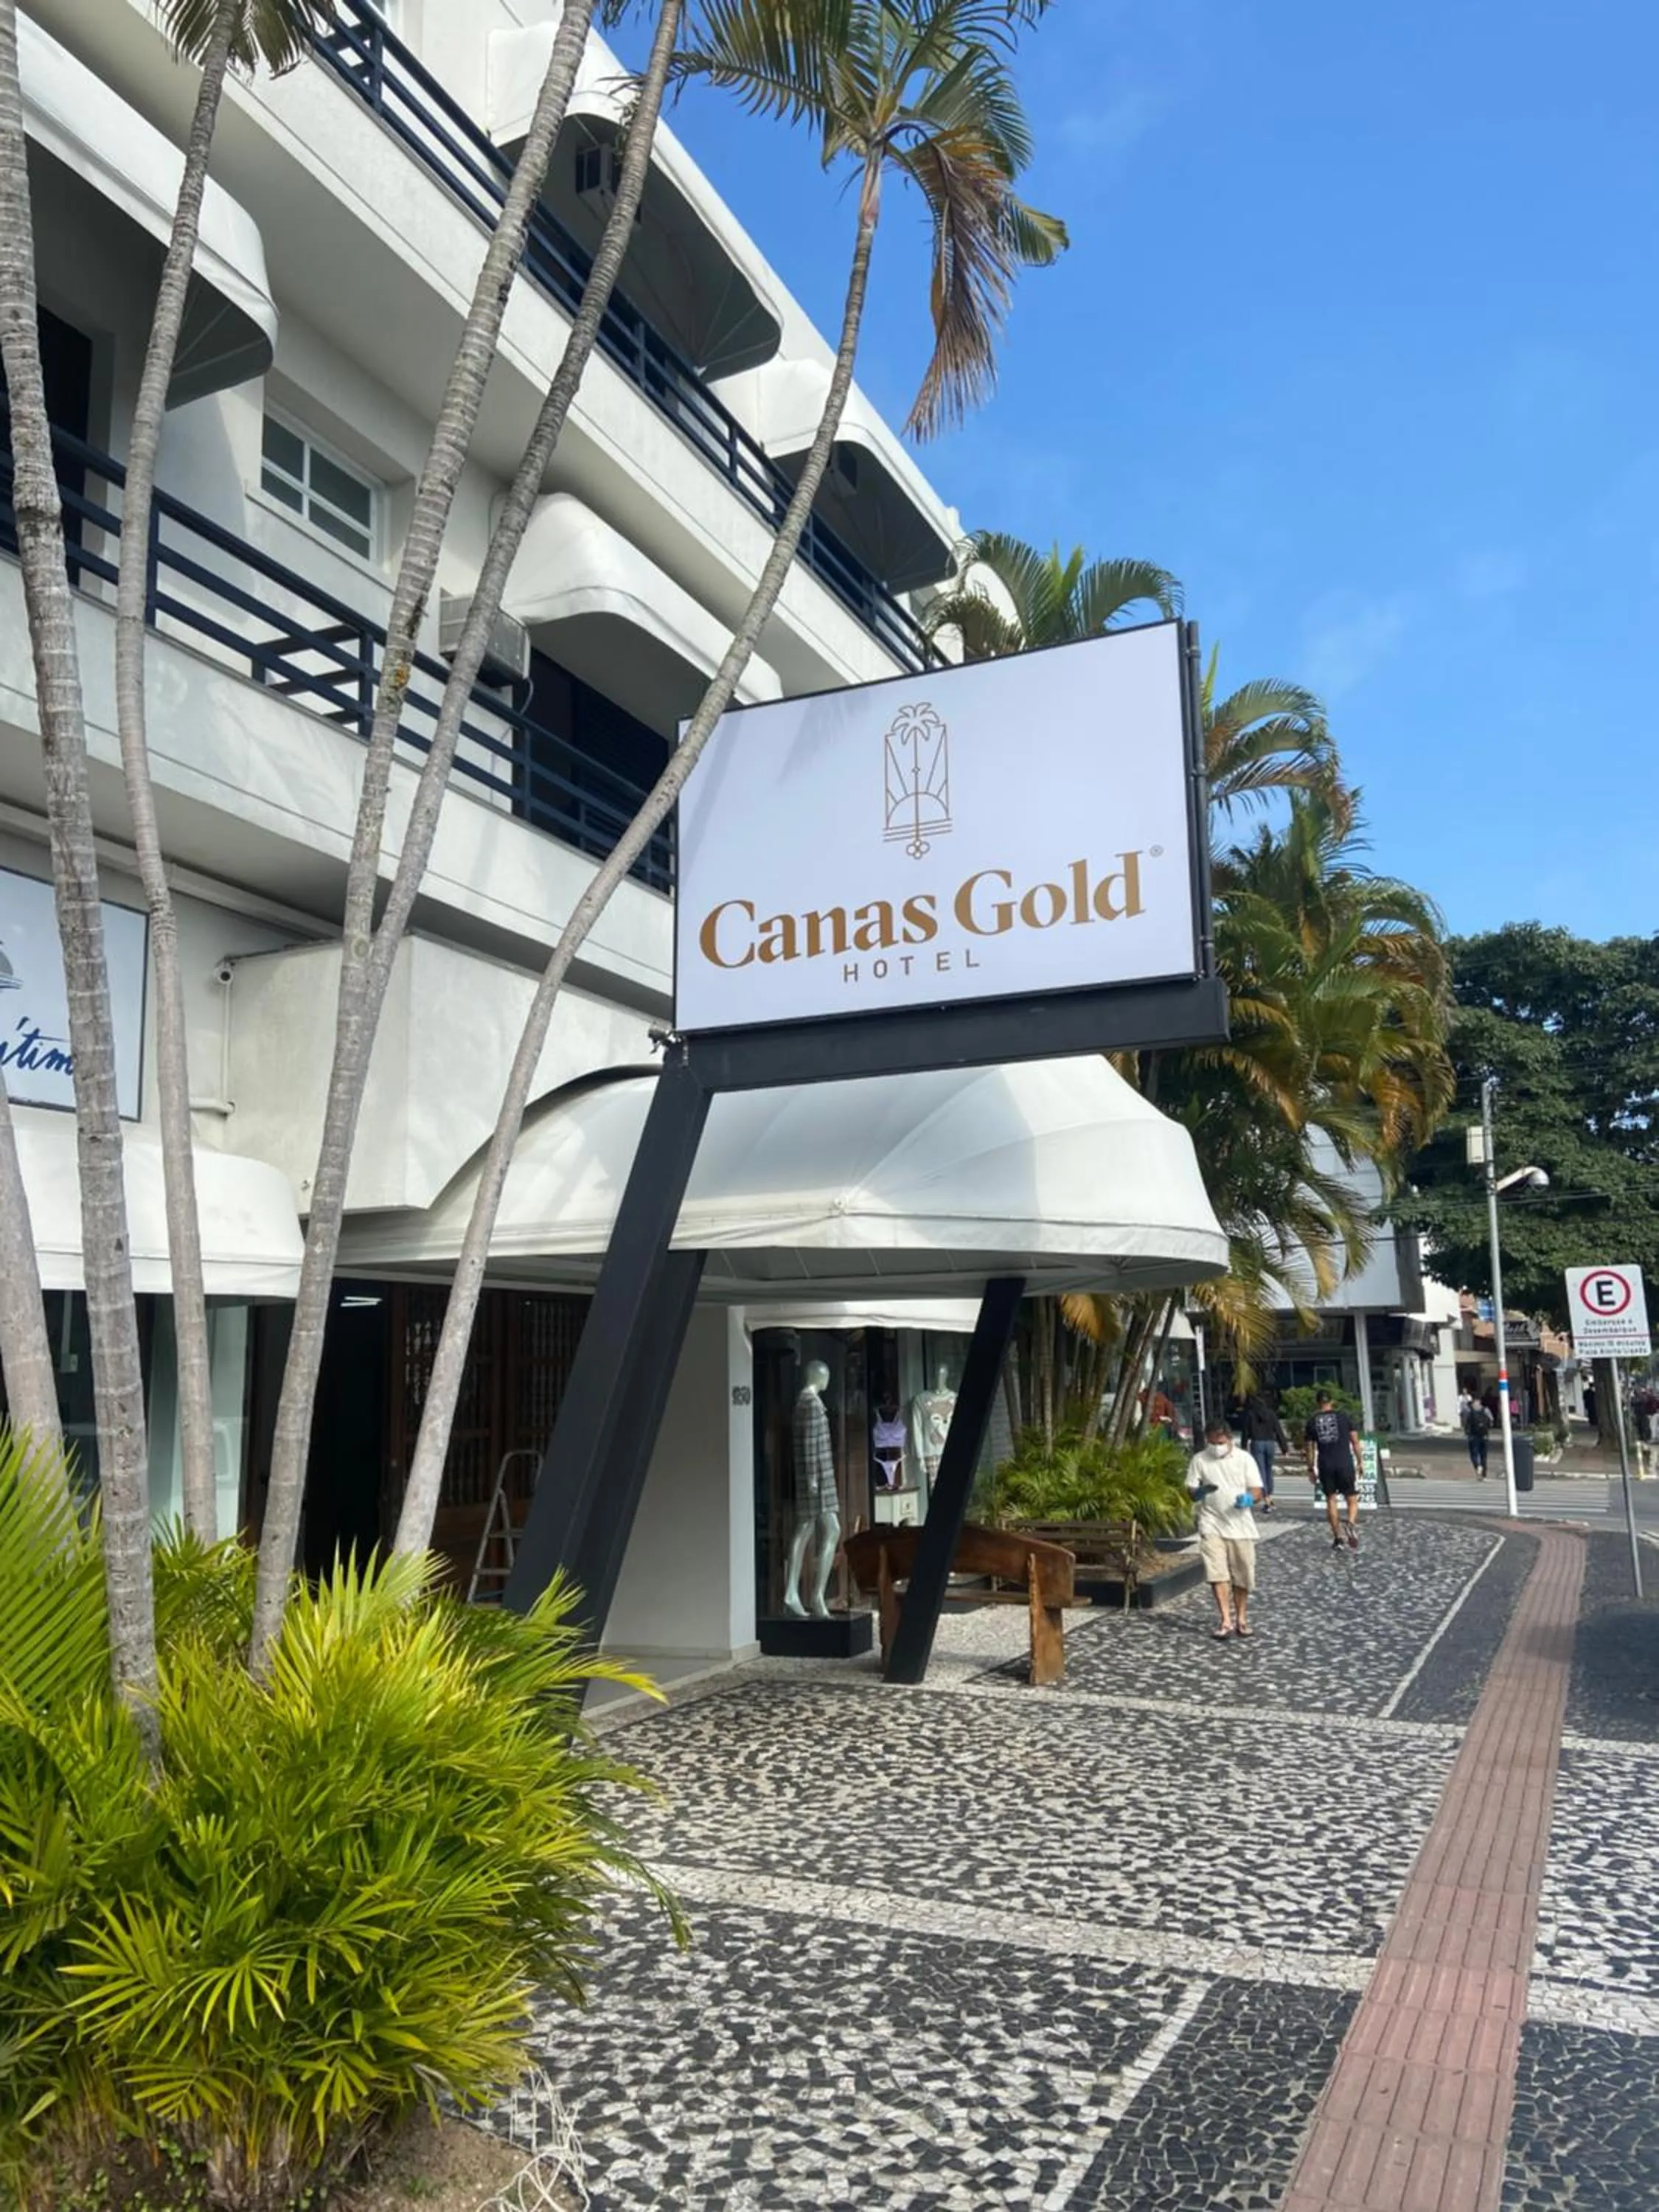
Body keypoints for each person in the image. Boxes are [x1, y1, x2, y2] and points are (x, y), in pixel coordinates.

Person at [1186, 1417, 1265, 1639]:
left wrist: (1249, 1499)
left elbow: (1257, 1489)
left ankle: (1241, 1618)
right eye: (1212, 1442)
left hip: (1240, 1525)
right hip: (1211, 1522)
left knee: (1243, 1573)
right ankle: (1225, 1619)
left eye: (1220, 1442)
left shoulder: (1244, 1459)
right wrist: (1198, 1493)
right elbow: (1191, 1489)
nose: (1216, 1447)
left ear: (1229, 1439)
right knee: (1217, 1572)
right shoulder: (1200, 1460)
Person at [1304, 1388, 1364, 1552]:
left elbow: (1309, 1448)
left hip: (1326, 1464)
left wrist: (1311, 1468)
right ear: (1332, 1402)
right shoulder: (1343, 1417)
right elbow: (1355, 1441)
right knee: (1352, 1498)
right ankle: (1350, 1524)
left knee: (1331, 1500)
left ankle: (1338, 1538)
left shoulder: (1312, 1421)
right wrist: (1360, 1461)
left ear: (1317, 1403)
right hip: (1344, 1462)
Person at [1237, 1388, 1290, 1514]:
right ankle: (1269, 1495)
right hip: (1270, 1443)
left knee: (1260, 1471)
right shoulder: (1271, 1414)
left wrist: (1244, 1447)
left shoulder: (1251, 1414)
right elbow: (1278, 1430)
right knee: (1269, 1470)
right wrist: (1284, 1448)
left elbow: (1246, 1433)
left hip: (1257, 1443)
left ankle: (1267, 1500)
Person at [1462, 1393, 1494, 1478]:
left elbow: (1465, 1422)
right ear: (1480, 1401)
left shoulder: (1468, 1410)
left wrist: (1466, 1431)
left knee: (1474, 1454)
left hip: (1473, 1435)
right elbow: (1491, 1421)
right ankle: (1484, 1473)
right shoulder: (1485, 1410)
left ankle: (1477, 1466)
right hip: (1484, 1435)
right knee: (1484, 1455)